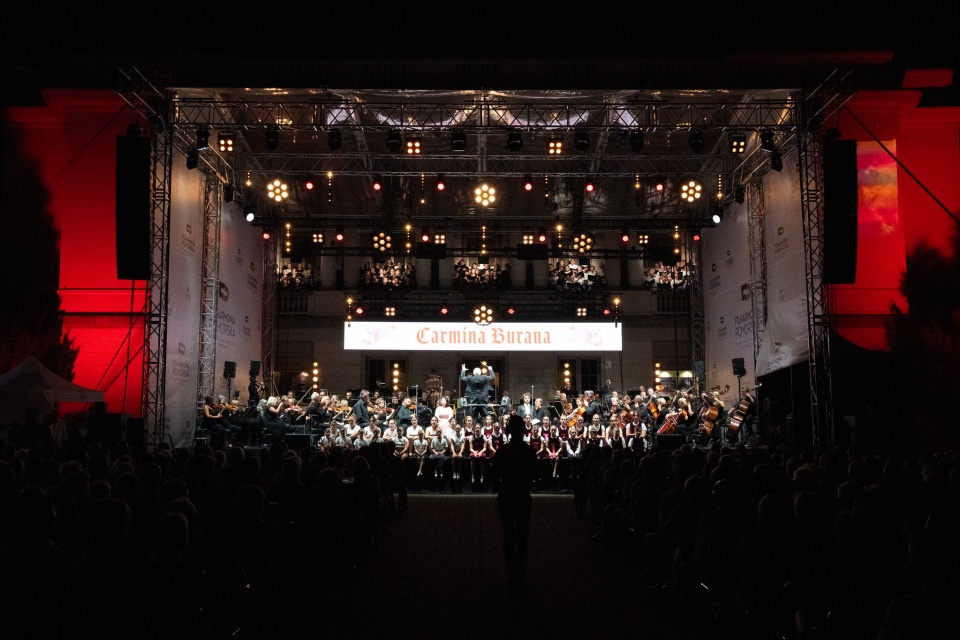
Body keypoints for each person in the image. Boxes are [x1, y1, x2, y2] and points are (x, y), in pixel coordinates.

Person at [492, 415, 539, 595]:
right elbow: (536, 474)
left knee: (509, 537)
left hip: (506, 495)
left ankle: (512, 576)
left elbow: (495, 476)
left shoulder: (503, 451)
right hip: (522, 495)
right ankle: (521, 575)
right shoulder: (528, 451)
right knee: (521, 537)